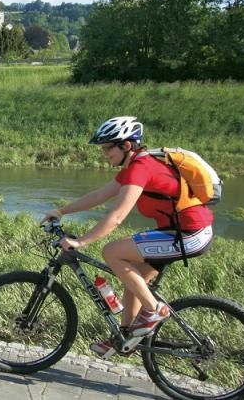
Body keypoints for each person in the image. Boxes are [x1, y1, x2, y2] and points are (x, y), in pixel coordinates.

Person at [42, 116, 214, 359]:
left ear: (126, 145)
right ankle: (125, 337)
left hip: (190, 234)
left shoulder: (141, 168)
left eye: (107, 148)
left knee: (111, 251)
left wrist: (80, 242)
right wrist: (61, 211)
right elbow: (99, 196)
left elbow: (117, 217)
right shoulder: (133, 167)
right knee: (134, 279)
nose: (104, 154)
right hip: (179, 232)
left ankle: (154, 310)